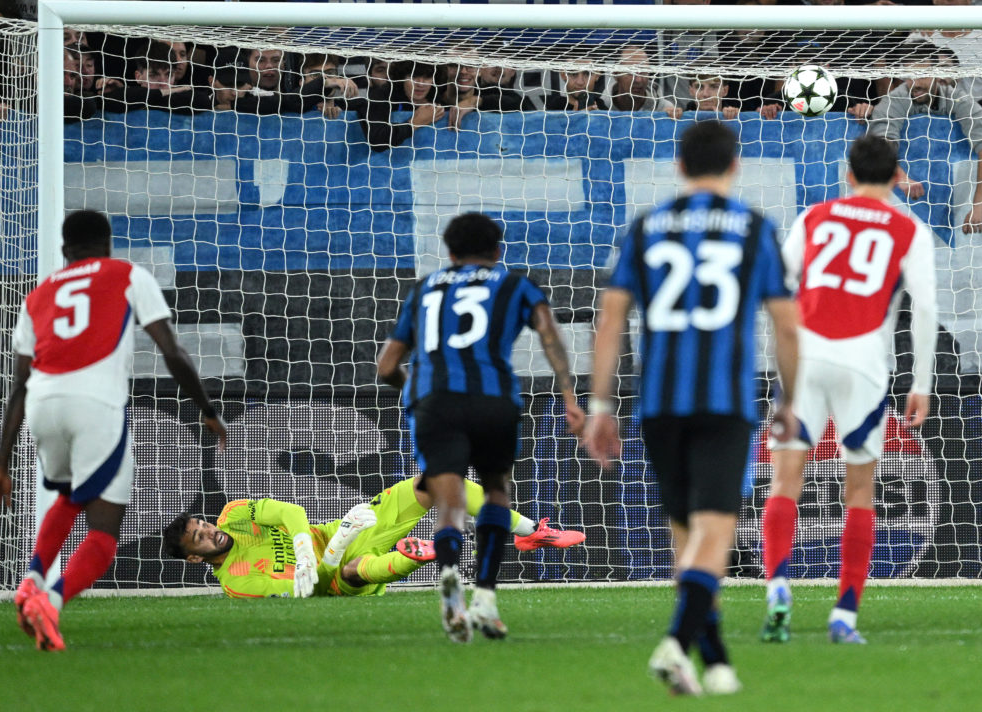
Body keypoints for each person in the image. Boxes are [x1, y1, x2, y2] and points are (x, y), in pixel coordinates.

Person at [584, 120, 799, 696]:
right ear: (735, 166)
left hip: (658, 404)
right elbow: (786, 324)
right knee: (714, 532)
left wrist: (601, 403)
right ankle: (677, 643)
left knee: (686, 536)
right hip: (724, 402)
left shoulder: (646, 227)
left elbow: (609, 319)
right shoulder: (754, 229)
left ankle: (718, 660)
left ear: (679, 166)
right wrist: (791, 398)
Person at [0, 210, 226, 651]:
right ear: (107, 245)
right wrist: (207, 409)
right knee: (103, 532)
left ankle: (29, 582)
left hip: (43, 406)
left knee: (68, 496)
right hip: (94, 404)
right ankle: (51, 601)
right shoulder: (126, 274)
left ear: (65, 252)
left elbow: (17, 388)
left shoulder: (37, 296)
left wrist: (2, 460)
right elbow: (172, 351)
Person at [761, 135, 937, 645]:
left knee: (785, 478)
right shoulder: (910, 229)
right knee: (859, 490)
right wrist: (920, 382)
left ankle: (778, 590)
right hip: (864, 363)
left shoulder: (815, 216)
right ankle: (845, 615)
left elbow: (781, 284)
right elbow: (924, 309)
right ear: (898, 175)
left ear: (848, 175)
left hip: (806, 357)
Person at [376, 212, 584, 643]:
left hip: (435, 404)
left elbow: (386, 367)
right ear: (497, 250)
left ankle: (450, 578)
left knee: (448, 503)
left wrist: (415, 388)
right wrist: (568, 397)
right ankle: (485, 600)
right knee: (494, 491)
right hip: (493, 401)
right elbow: (550, 335)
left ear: (449, 252)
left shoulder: (424, 290)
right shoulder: (513, 284)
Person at [162, 475, 585, 599]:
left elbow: (290, 512)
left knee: (438, 479)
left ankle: (531, 532)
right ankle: (422, 554)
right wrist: (323, 558)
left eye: (203, 525)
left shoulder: (234, 515)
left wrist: (306, 549)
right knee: (353, 570)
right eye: (199, 539)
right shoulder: (238, 582)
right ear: (195, 559)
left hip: (348, 528)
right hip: (335, 580)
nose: (210, 532)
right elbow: (305, 593)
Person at [867, 45, 982, 235]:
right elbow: (880, 145)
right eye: (910, 77)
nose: (915, 83)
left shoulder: (958, 99)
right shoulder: (894, 101)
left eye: (922, 75)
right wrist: (902, 177)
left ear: (937, 75)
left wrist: (979, 204)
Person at [358, 60, 445, 153]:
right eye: (414, 77)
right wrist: (415, 122)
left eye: (427, 77)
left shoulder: (438, 99)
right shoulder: (382, 96)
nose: (421, 84)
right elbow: (378, 141)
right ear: (401, 77)